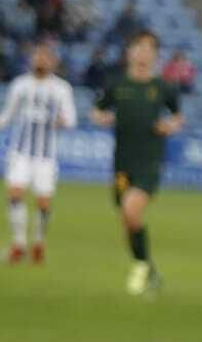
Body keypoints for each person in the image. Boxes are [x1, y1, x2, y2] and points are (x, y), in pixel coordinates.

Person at [90, 30, 183, 296]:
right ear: (129, 52)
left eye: (148, 48)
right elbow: (97, 109)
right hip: (122, 163)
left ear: (155, 54)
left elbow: (178, 116)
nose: (143, 53)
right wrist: (100, 118)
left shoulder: (162, 87)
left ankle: (140, 268)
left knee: (132, 210)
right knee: (128, 220)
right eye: (138, 47)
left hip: (149, 162)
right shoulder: (117, 85)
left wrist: (170, 125)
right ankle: (149, 269)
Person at [0, 41, 76, 265]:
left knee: (43, 202)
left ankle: (39, 242)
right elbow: (7, 116)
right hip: (20, 152)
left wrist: (62, 121)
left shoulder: (62, 89)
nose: (40, 60)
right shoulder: (20, 85)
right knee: (15, 194)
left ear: (53, 61)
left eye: (45, 56)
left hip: (46, 156)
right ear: (32, 59)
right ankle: (19, 244)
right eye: (37, 55)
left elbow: (71, 119)